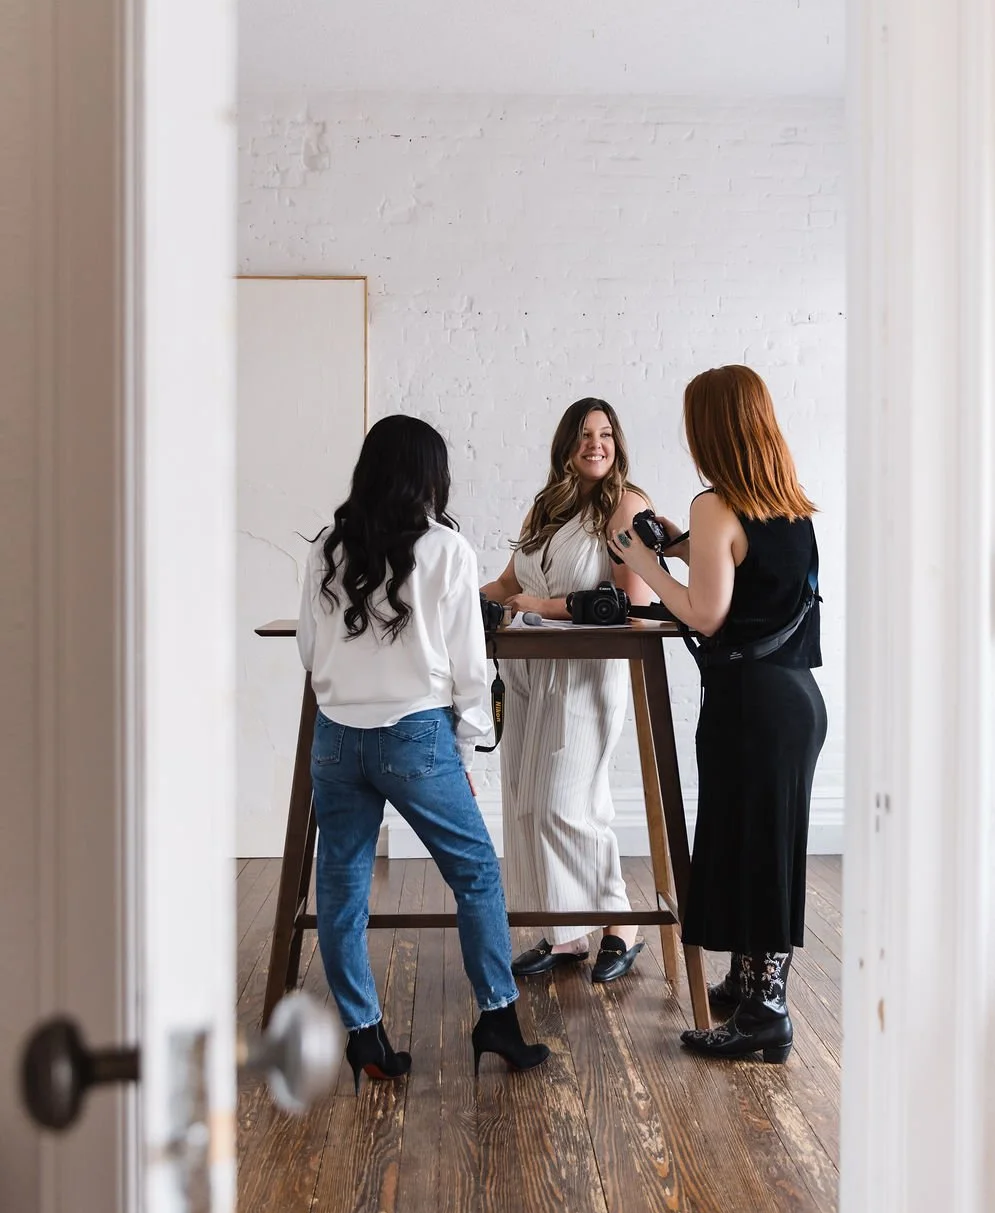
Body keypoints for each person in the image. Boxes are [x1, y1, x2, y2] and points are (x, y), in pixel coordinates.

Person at [297, 415, 549, 1092]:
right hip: (414, 734)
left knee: (342, 888)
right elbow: (470, 664)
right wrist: (465, 742)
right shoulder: (446, 550)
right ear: (429, 476)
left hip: (334, 737)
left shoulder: (327, 547)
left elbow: (307, 650)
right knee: (475, 875)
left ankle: (365, 1035)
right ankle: (497, 1018)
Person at [608, 366, 827, 1062]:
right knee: (767, 842)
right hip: (794, 698)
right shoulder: (788, 507)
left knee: (753, 843)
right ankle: (749, 981)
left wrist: (646, 559)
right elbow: (747, 580)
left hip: (753, 703)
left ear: (712, 428)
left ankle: (766, 1014)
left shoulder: (714, 504)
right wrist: (678, 544)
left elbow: (705, 612)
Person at [480, 398, 653, 984]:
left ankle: (619, 921)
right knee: (527, 802)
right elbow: (508, 582)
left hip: (585, 674)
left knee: (568, 803)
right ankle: (567, 934)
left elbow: (636, 600)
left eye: (605, 434)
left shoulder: (626, 505)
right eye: (583, 435)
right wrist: (441, 602)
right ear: (565, 445)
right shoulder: (547, 507)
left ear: (618, 443)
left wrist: (542, 607)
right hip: (529, 672)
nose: (595, 444)